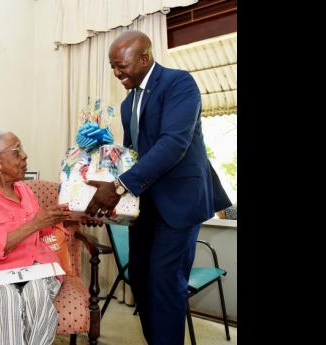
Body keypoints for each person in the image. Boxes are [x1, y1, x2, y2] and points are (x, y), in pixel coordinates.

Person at [84, 30, 231, 345]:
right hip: (145, 204)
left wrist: (119, 186)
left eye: (121, 66)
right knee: (140, 279)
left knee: (165, 284)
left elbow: (173, 144)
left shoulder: (179, 84)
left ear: (144, 58)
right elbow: (133, 157)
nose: (116, 73)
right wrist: (102, 169)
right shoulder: (128, 104)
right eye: (112, 67)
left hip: (180, 203)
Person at [0, 130, 72, 345]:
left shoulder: (24, 190)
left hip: (37, 265)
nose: (24, 155)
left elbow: (44, 230)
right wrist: (36, 222)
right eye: (17, 150)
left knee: (37, 293)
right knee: (7, 301)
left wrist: (68, 216)